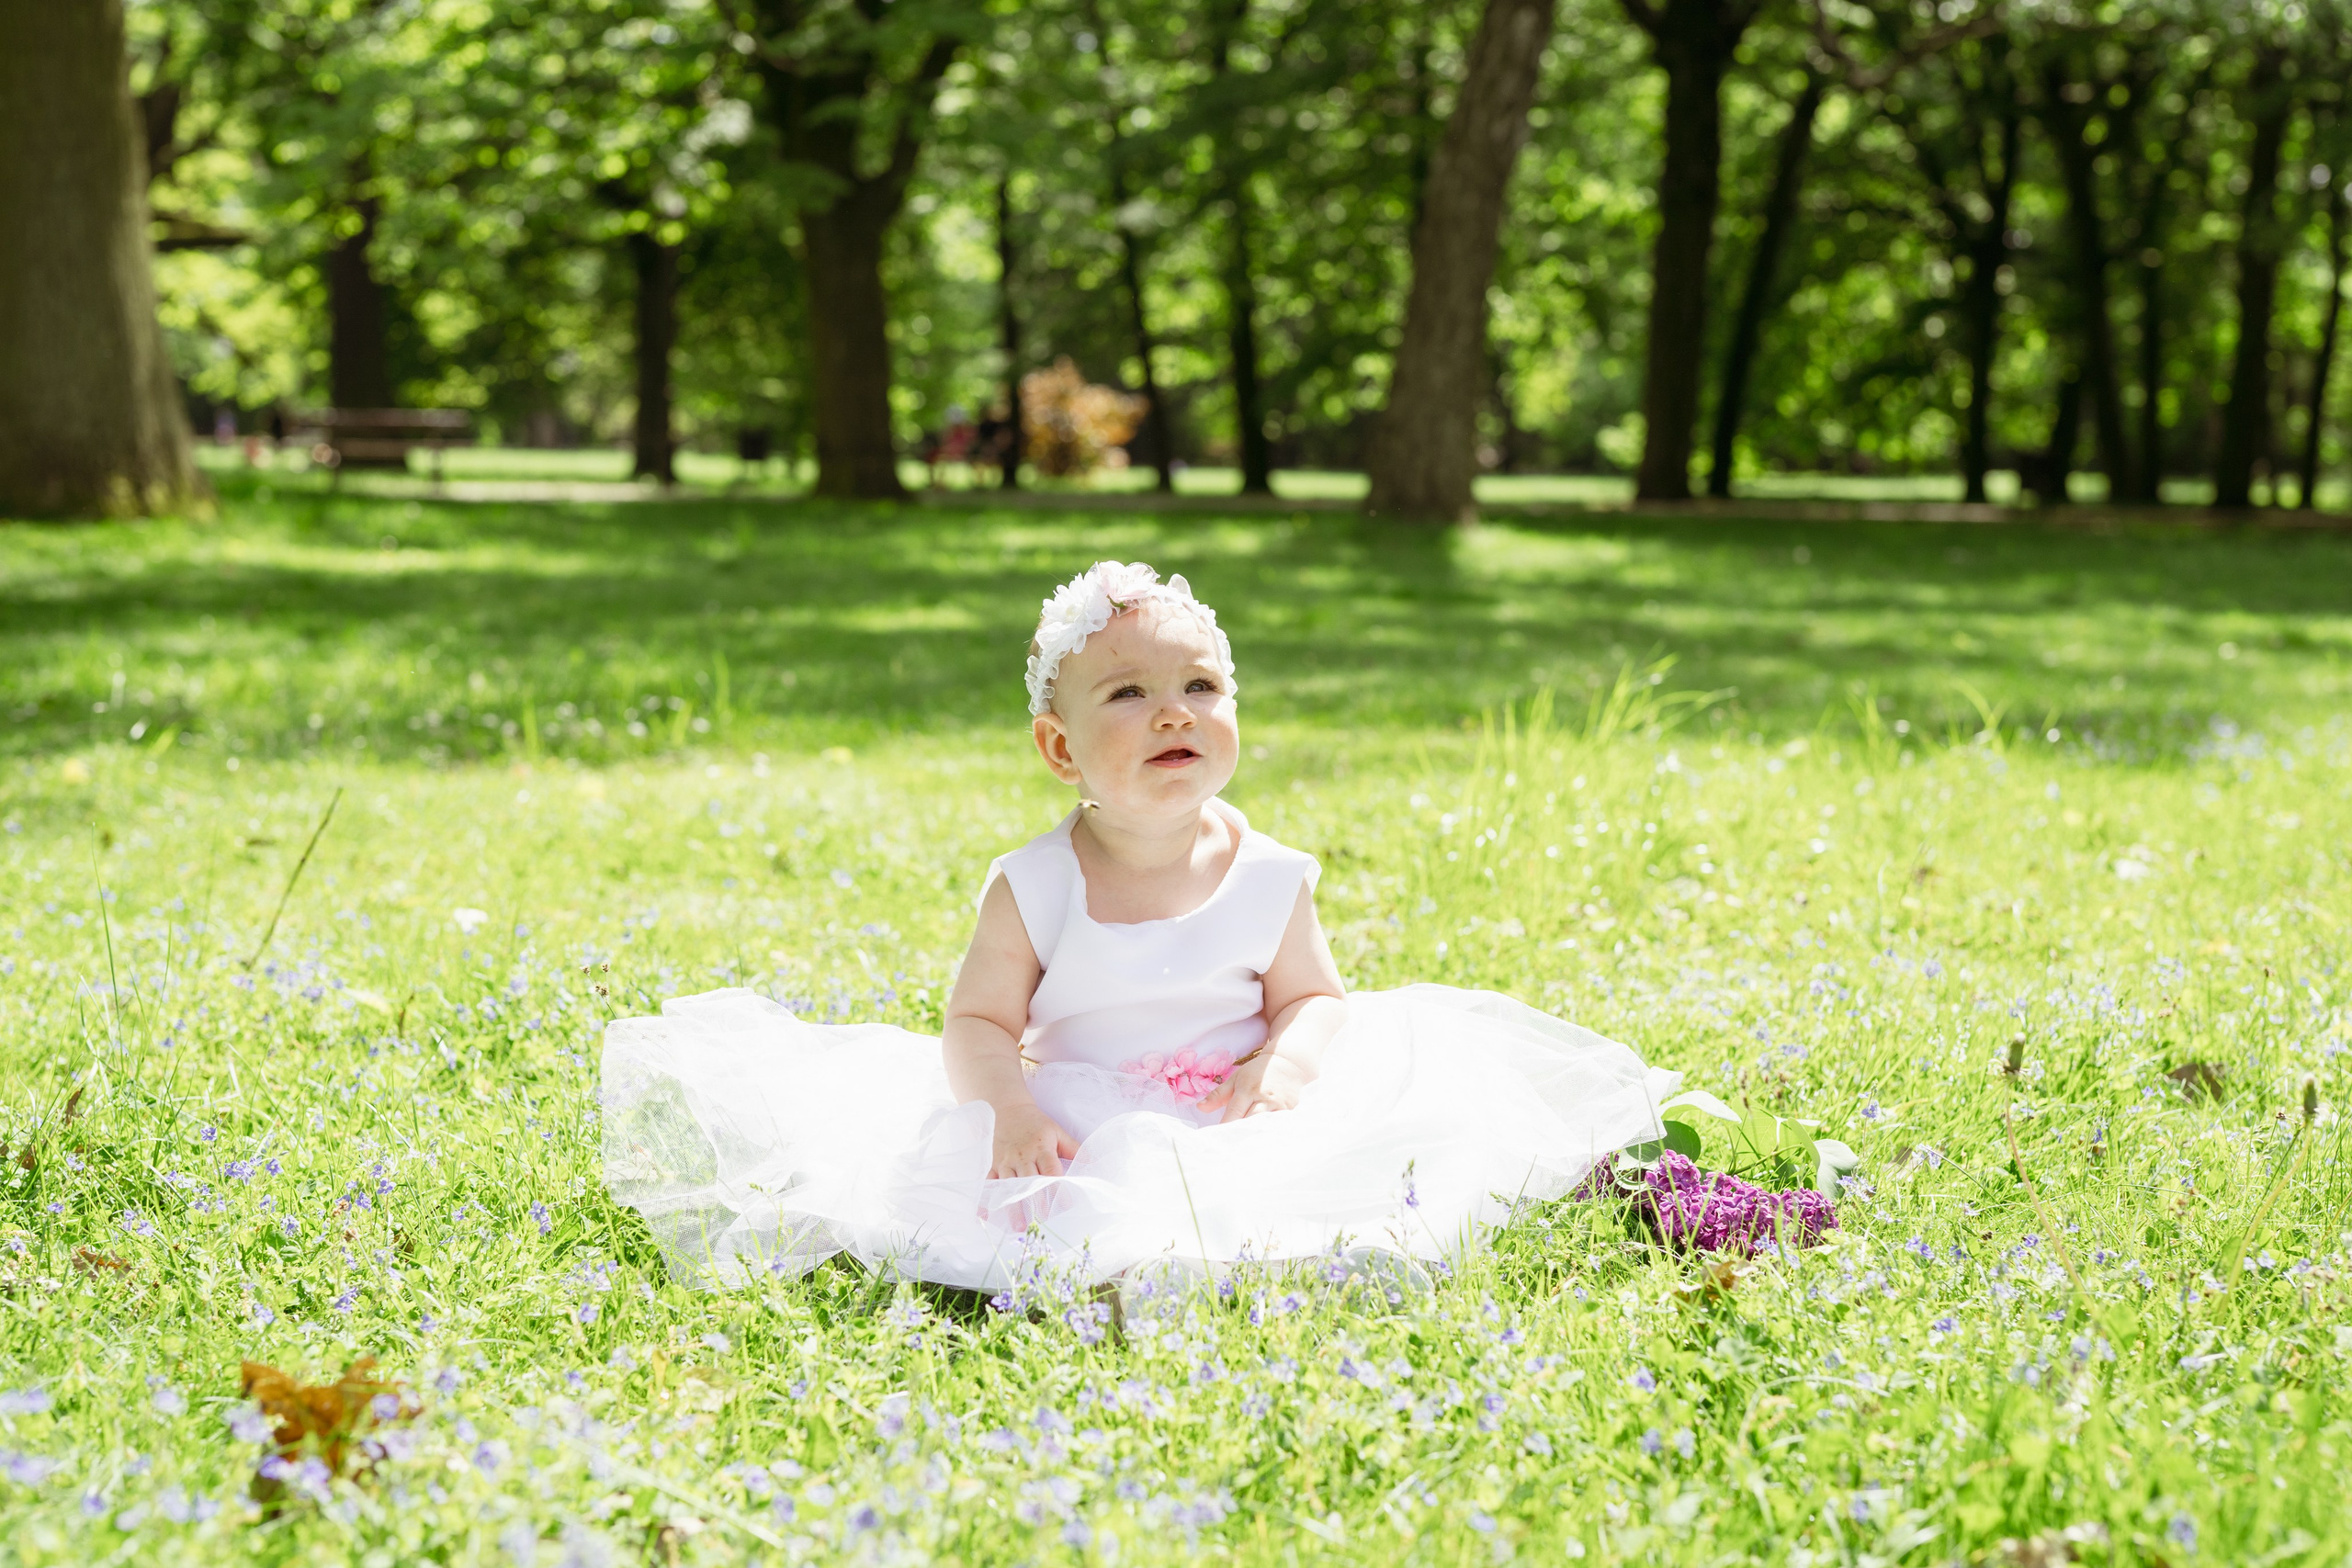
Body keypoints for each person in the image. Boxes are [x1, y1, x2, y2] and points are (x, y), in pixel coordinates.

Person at [602, 562, 1681, 1292]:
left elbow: (1315, 998)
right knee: (1070, 1211)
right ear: (1060, 750)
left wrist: (1286, 1067)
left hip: (1234, 1099)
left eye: (1200, 686)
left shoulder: (1269, 875)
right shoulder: (1033, 886)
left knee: (1377, 1167)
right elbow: (976, 1022)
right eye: (1127, 694)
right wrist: (1012, 1110)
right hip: (1076, 1106)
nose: (1174, 711)